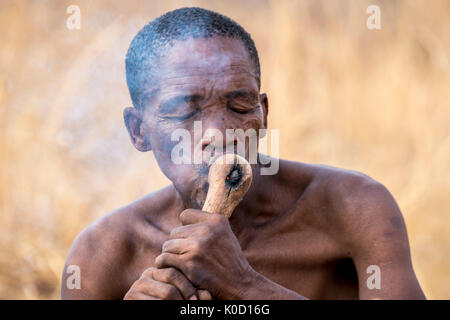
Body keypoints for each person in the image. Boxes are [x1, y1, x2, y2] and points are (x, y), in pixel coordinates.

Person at [61, 7, 425, 300]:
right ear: (138, 130)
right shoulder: (104, 255)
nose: (219, 134)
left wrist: (244, 285)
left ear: (263, 114)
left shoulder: (353, 207)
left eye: (239, 105)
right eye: (184, 111)